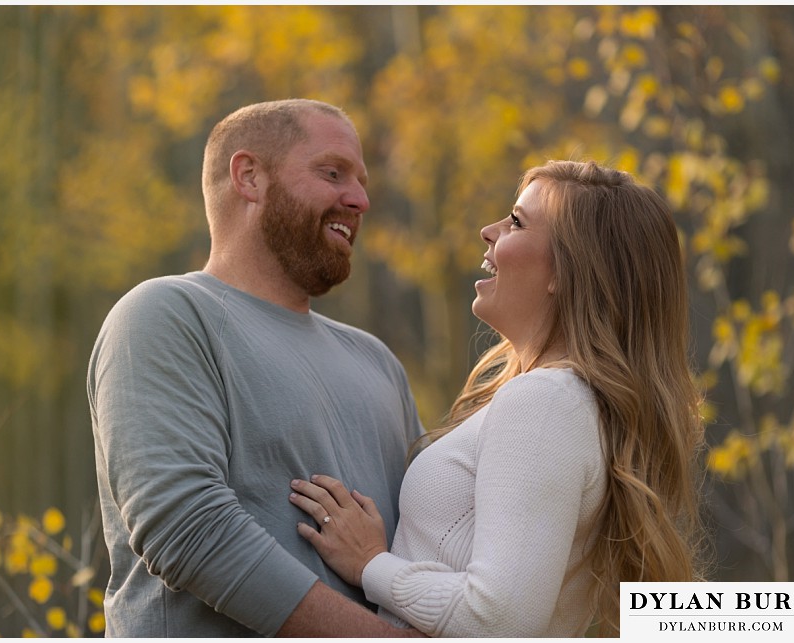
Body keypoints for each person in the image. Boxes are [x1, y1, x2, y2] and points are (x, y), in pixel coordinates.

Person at [289, 160, 706, 637]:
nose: (489, 231)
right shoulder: (567, 402)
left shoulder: (545, 402)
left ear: (567, 271)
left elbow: (500, 619)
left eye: (516, 222)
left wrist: (370, 564)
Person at [87, 99, 425, 637]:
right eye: (332, 173)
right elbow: (188, 530)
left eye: (361, 182)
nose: (360, 199)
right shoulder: (165, 315)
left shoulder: (378, 362)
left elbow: (427, 541)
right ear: (248, 176)